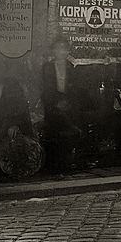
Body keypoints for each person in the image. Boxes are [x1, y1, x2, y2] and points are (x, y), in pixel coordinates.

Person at [42, 36, 82, 172]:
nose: (62, 52)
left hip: (69, 107)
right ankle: (53, 167)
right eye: (59, 48)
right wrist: (56, 103)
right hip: (53, 107)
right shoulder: (47, 67)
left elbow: (75, 89)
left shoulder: (72, 67)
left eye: (65, 48)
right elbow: (46, 89)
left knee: (68, 138)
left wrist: (68, 102)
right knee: (54, 137)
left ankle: (66, 165)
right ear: (53, 50)